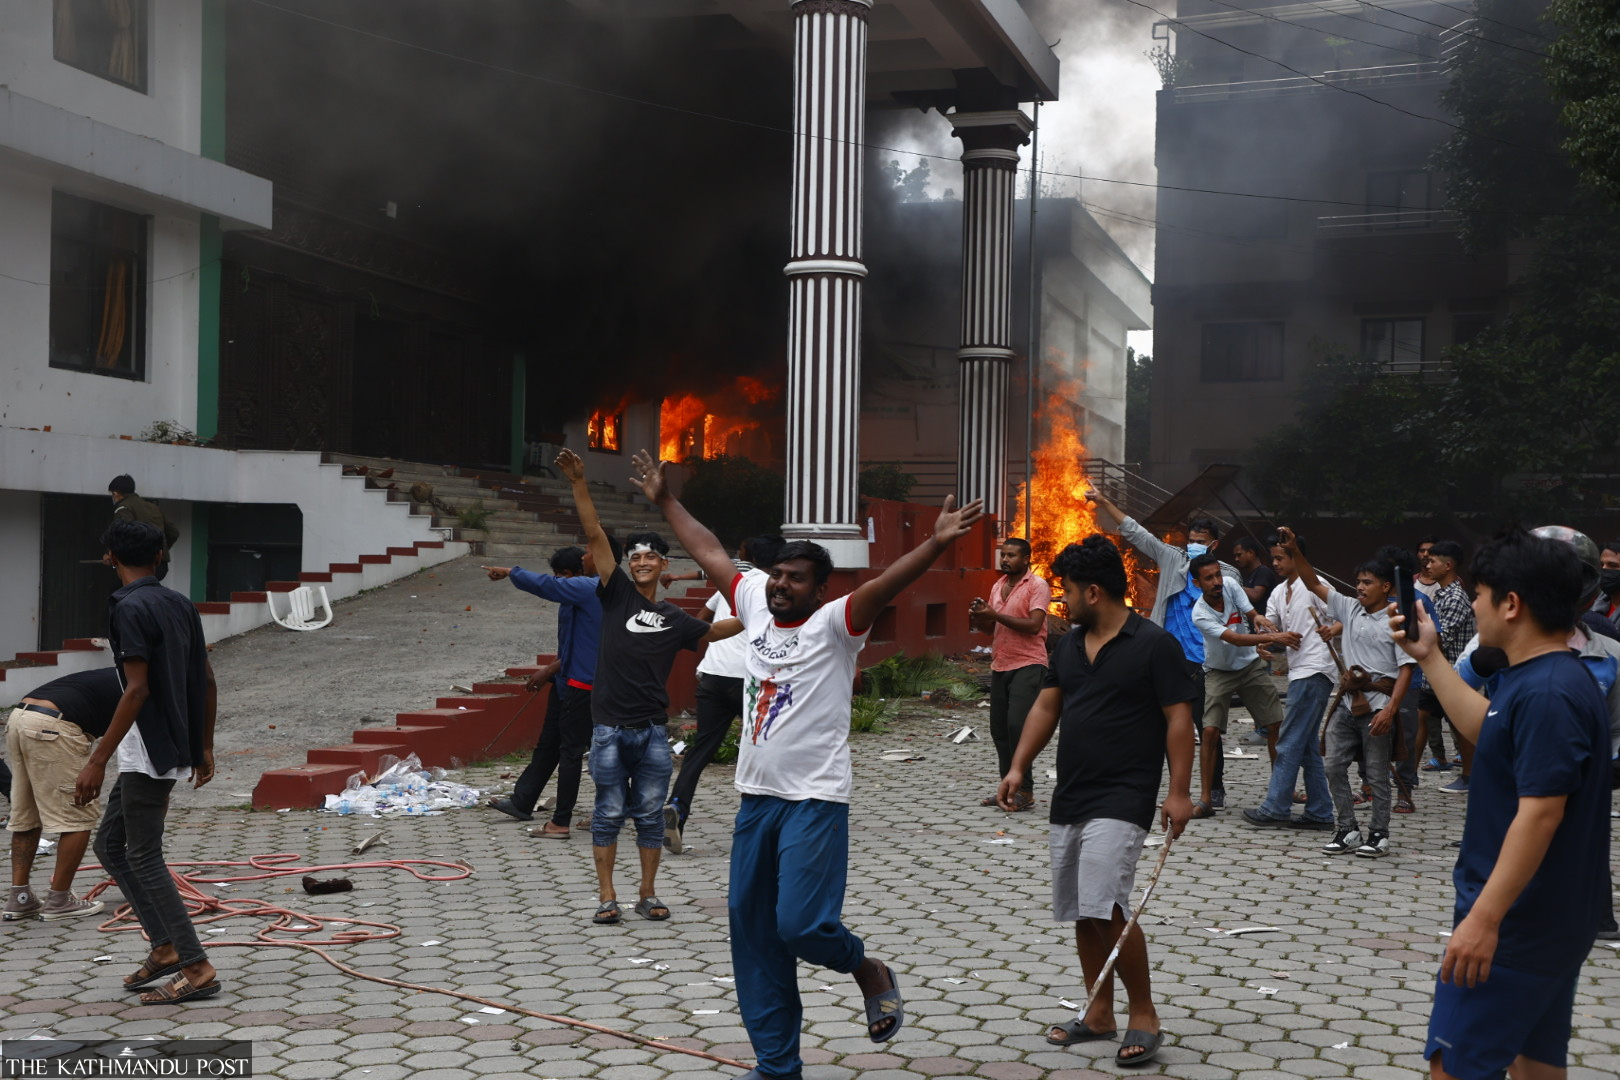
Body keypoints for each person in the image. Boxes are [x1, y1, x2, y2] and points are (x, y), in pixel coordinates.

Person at [631, 446, 984, 1080]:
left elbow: (884, 584)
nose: (782, 583)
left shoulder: (835, 625)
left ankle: (865, 967)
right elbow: (710, 551)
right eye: (778, 574)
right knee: (754, 935)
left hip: (814, 801)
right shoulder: (755, 605)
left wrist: (933, 547)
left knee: (799, 924)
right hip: (755, 800)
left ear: (819, 588)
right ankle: (777, 1065)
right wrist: (665, 500)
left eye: (796, 577)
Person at [1391, 530, 1611, 1080]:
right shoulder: (1543, 676)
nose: (1473, 606)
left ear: (1512, 604)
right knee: (1534, 1063)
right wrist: (1430, 656)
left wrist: (1484, 920)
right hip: (1549, 916)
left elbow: (1541, 812)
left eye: (1480, 595)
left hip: (1517, 920)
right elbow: (1487, 731)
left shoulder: (1547, 693)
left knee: (1457, 1065)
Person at [998, 536, 1195, 1067]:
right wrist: (1019, 765)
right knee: (1083, 911)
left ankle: (1145, 1014)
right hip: (1073, 792)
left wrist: (1179, 793)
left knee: (1107, 904)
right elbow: (1047, 705)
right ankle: (1099, 1013)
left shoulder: (1154, 644)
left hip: (1124, 793)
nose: (1062, 599)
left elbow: (1180, 719)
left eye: (1066, 590)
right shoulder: (1068, 645)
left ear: (1094, 591)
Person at [555, 449, 740, 926]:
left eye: (649, 556)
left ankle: (647, 893)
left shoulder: (675, 619)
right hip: (609, 730)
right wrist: (579, 480)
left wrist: (764, 613)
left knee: (652, 816)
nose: (640, 562)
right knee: (608, 811)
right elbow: (595, 534)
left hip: (653, 732)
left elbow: (719, 631)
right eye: (634, 556)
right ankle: (606, 897)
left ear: (663, 565)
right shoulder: (613, 592)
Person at [83, 519, 219, 1004]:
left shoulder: (128, 607)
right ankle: (163, 947)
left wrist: (96, 759)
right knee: (110, 845)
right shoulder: (178, 602)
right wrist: (203, 746)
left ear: (110, 559)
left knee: (142, 855)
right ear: (160, 556)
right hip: (167, 741)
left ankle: (195, 965)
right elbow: (205, 678)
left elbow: (136, 689)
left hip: (150, 746)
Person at [1088, 494, 1239, 809]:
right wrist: (1103, 501)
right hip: (1167, 658)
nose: (1194, 546)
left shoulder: (1226, 575)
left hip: (1206, 662)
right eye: (1191, 540)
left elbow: (1236, 617)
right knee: (1159, 725)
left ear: (1214, 546)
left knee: (1207, 729)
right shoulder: (1174, 559)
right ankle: (1171, 789)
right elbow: (1136, 532)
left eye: (1202, 542)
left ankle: (1215, 788)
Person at [1277, 527, 1413, 859]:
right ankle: (1347, 829)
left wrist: (1390, 710)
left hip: (1378, 705)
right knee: (1333, 766)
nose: (1360, 587)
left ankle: (1379, 833)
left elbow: (1407, 667)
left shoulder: (1396, 619)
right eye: (1359, 582)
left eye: (1367, 582)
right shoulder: (1350, 608)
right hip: (1347, 704)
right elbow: (1313, 583)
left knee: (1377, 774)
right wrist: (1295, 550)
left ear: (1385, 587)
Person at [482, 540, 613, 838]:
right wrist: (552, 671)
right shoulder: (575, 594)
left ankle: (564, 820)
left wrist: (509, 571)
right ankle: (522, 800)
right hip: (566, 680)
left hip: (583, 684)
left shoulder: (588, 587)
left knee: (579, 752)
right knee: (549, 742)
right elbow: (573, 645)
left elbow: (543, 585)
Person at [665, 534, 783, 854]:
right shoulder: (774, 587)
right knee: (765, 747)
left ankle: (677, 805)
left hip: (713, 675)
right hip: (749, 680)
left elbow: (700, 622)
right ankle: (767, 824)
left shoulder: (732, 583)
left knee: (700, 751)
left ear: (746, 554)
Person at [4, 668, 122, 921]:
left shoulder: (117, 673)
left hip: (19, 718)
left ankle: (20, 898)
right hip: (55, 726)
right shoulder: (144, 683)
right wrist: (98, 764)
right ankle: (59, 900)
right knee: (78, 812)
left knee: (27, 813)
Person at [1243, 534, 1339, 829]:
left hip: (1316, 670)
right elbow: (1271, 627)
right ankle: (1320, 812)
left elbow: (1345, 616)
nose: (1274, 564)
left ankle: (1276, 807)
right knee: (1306, 744)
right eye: (1273, 558)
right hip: (1299, 671)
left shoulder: (1316, 586)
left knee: (1288, 741)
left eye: (1280, 558)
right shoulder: (1278, 591)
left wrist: (1332, 630)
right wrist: (1263, 640)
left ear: (1297, 557)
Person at [1187, 554, 1293, 817]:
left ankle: (1282, 792)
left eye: (1217, 575)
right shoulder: (1199, 613)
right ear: (1197, 583)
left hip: (1250, 666)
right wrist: (1275, 636)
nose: (1216, 582)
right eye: (1208, 578)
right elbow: (1234, 638)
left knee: (1275, 724)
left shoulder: (1232, 587)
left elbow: (1251, 613)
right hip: (1218, 672)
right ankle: (1205, 799)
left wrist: (1259, 621)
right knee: (1209, 731)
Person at [969, 537, 1052, 812]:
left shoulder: (1037, 585)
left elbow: (1033, 625)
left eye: (1012, 555)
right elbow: (988, 630)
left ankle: (1024, 790)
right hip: (1000, 663)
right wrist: (979, 616)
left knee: (1018, 727)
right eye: (1003, 555)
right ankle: (1007, 787)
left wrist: (994, 614)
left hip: (1029, 664)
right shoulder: (997, 586)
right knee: (1000, 730)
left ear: (1026, 559)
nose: (1005, 559)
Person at [1418, 541, 1474, 779]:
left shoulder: (1454, 598)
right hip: (1435, 674)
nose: (1427, 565)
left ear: (1448, 565)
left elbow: (1443, 640)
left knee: (1462, 727)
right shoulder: (1441, 594)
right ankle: (1408, 775)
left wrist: (1418, 633)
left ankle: (1469, 776)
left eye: (1433, 561)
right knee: (1421, 716)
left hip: (1451, 674)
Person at [108, 475, 180, 582]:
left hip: (137, 565)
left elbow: (122, 533)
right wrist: (159, 550)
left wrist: (110, 554)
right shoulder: (153, 507)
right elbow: (174, 532)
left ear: (116, 494)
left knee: (120, 593)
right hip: (159, 565)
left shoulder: (123, 508)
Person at [1232, 535, 1280, 611]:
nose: (1236, 559)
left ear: (1251, 553)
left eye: (1239, 555)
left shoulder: (1263, 571)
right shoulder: (1248, 576)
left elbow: (1255, 595)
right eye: (1235, 556)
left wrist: (1233, 585)